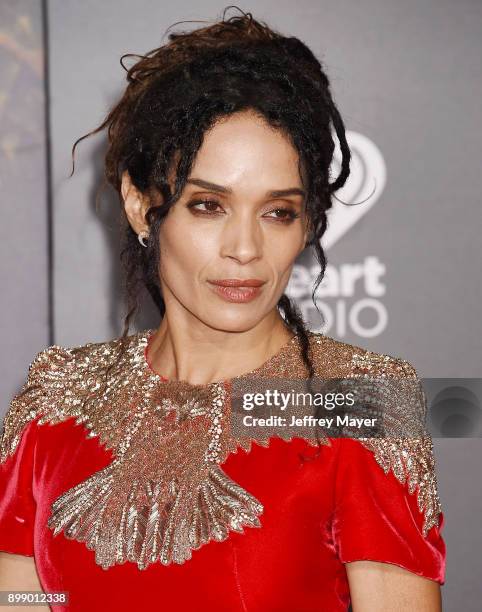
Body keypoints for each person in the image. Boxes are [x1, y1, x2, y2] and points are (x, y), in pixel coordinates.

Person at [0, 8, 445, 612]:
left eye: (278, 211)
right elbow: (23, 600)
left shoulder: (357, 403)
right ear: (140, 205)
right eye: (208, 205)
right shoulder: (54, 398)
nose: (245, 248)